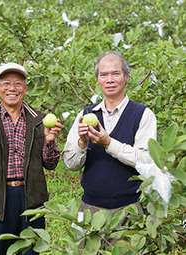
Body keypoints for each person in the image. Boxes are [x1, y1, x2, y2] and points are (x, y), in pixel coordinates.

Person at [0, 62, 63, 255]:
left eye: (18, 83)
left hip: (30, 199)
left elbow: (51, 164)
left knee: (31, 251)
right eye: (6, 83)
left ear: (25, 88)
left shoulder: (40, 120)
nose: (12, 88)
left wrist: (50, 140)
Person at [62, 52, 157, 244]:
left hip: (128, 210)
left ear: (126, 76)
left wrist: (109, 143)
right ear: (97, 79)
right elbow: (70, 164)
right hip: (88, 210)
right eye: (103, 75)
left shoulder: (143, 115)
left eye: (116, 73)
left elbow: (147, 161)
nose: (110, 80)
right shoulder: (86, 114)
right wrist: (82, 143)